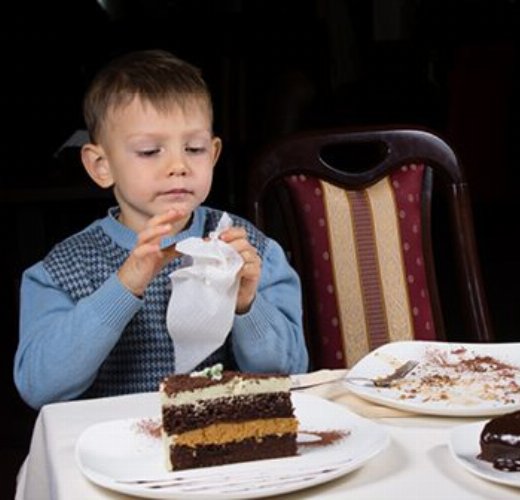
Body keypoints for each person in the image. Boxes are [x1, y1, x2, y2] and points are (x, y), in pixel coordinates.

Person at [13, 49, 308, 409]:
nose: (178, 165)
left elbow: (290, 373)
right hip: (112, 454)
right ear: (101, 165)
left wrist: (247, 304)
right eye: (150, 151)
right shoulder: (65, 268)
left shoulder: (252, 252)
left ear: (213, 154)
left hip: (220, 446)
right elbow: (38, 386)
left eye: (194, 148)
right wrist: (123, 286)